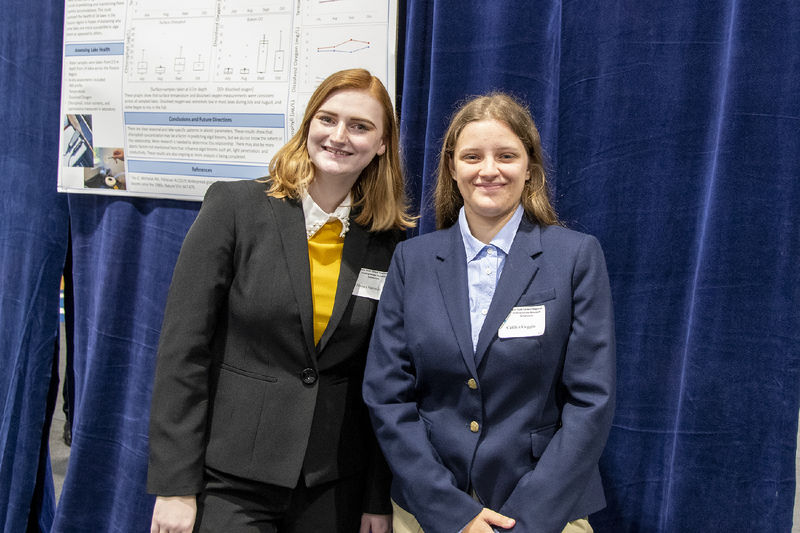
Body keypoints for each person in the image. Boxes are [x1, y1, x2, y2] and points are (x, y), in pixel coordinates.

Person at [148, 68, 414, 533]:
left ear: (383, 144)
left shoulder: (390, 242)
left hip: (333, 484)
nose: (339, 136)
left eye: (360, 126)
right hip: (232, 480)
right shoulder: (235, 208)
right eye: (327, 119)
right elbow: (182, 354)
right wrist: (175, 487)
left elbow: (384, 378)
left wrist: (376, 496)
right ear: (307, 124)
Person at [363, 93, 616, 533]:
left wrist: (525, 520)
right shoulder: (413, 261)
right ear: (452, 168)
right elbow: (388, 396)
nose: (489, 170)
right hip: (430, 511)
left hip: (545, 514)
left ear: (529, 167)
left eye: (506, 155)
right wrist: (451, 512)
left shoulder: (575, 257)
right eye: (472, 156)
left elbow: (592, 401)